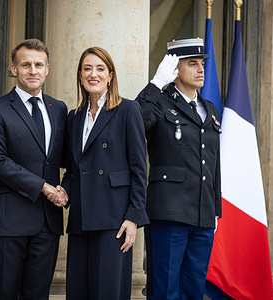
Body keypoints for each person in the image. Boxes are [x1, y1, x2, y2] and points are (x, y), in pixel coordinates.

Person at [0, 38, 68, 300]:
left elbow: (67, 161)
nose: (33, 70)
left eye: (38, 65)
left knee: (38, 296)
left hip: (47, 223)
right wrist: (43, 186)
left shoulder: (59, 109)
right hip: (8, 222)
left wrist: (66, 190)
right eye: (26, 64)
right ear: (14, 69)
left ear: (47, 68)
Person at [57, 46, 149, 300]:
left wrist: (133, 217)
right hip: (81, 219)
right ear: (80, 75)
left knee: (108, 293)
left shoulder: (127, 110)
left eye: (100, 69)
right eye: (87, 68)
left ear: (110, 76)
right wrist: (63, 190)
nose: (93, 74)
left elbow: (140, 169)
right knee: (78, 292)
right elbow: (72, 170)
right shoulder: (73, 117)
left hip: (114, 221)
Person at [135, 37, 222, 299]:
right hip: (169, 213)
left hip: (202, 214)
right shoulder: (160, 103)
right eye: (192, 63)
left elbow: (213, 163)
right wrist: (155, 84)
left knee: (193, 289)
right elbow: (134, 123)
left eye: (202, 64)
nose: (200, 69)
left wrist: (215, 210)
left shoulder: (210, 109)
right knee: (165, 289)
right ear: (175, 70)